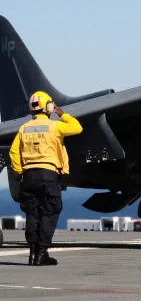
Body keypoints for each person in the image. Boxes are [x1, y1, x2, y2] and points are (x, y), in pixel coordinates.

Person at [9, 91, 83, 266]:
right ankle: (42, 253)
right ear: (48, 106)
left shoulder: (23, 128)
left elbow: (13, 152)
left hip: (29, 176)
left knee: (33, 213)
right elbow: (77, 127)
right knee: (50, 211)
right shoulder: (54, 127)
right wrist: (61, 113)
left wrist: (20, 172)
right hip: (48, 175)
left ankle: (33, 254)